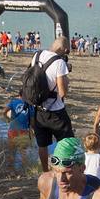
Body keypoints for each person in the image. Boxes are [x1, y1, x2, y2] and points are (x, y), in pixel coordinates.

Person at [28, 37, 75, 166]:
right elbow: (63, 92)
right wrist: (66, 78)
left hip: (38, 109)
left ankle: (45, 171)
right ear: (65, 49)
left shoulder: (37, 55)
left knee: (42, 145)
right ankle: (64, 167)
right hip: (56, 112)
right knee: (67, 142)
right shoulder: (59, 62)